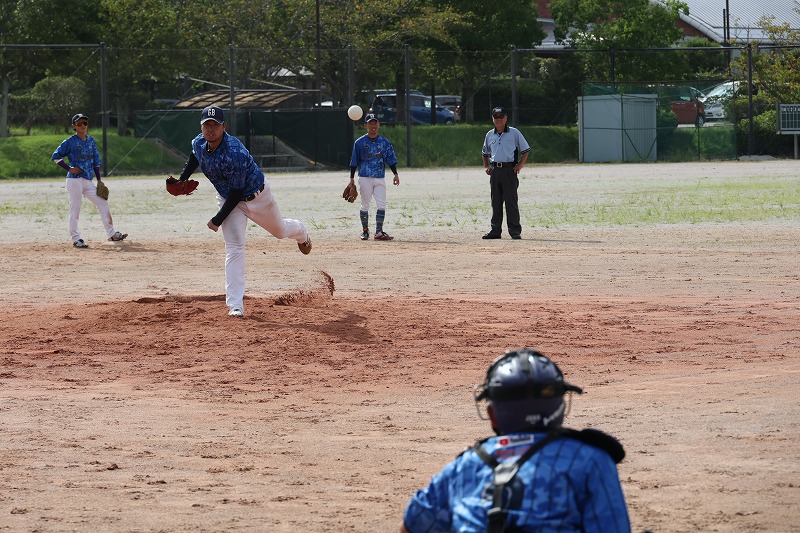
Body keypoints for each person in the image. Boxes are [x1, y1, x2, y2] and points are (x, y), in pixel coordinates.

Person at [401, 348, 630, 533]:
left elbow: (411, 526)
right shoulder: (590, 461)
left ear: (492, 415)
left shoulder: (464, 466)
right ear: (560, 409)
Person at [173, 105, 312, 318]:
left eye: (215, 125)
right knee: (234, 248)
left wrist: (217, 219)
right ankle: (235, 305)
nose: (210, 129)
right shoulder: (199, 142)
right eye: (206, 125)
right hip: (228, 199)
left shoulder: (234, 151)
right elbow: (195, 156)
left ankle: (300, 231)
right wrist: (182, 178)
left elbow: (237, 192)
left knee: (280, 231)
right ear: (201, 127)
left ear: (224, 127)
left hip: (257, 197)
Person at [51, 113, 127, 248]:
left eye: (84, 123)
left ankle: (111, 234)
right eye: (79, 123)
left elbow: (96, 161)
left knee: (103, 203)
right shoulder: (70, 142)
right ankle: (76, 239)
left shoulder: (91, 141)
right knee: (75, 209)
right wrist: (69, 168)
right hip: (74, 180)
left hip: (87, 180)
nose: (83, 125)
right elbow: (56, 156)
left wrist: (99, 180)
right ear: (74, 126)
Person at [481, 107, 531, 240]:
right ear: (492, 119)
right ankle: (495, 230)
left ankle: (515, 231)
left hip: (509, 170)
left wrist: (520, 165)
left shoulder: (514, 133)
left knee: (511, 201)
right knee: (496, 201)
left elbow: (525, 150)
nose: (498, 119)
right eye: (496, 117)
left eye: (501, 116)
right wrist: (486, 166)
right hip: (495, 170)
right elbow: (485, 153)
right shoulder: (489, 134)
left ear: (506, 118)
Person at [348, 113, 400, 241]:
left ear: (379, 125)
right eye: (370, 123)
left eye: (375, 123)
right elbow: (354, 161)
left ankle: (379, 232)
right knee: (365, 205)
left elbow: (390, 159)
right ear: (365, 125)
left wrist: (395, 174)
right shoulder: (359, 143)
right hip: (364, 177)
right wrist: (351, 178)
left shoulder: (384, 142)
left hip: (379, 177)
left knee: (381, 205)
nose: (373, 126)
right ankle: (365, 231)